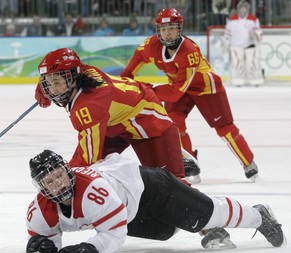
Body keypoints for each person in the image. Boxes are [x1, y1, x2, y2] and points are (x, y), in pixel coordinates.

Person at [25, 150, 285, 253]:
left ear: (67, 171)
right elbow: (47, 243)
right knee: (164, 232)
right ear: (41, 187)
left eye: (59, 175)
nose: (57, 183)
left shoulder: (94, 191)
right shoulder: (39, 210)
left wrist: (91, 250)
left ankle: (258, 215)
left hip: (152, 189)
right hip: (130, 212)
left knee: (204, 216)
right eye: (49, 181)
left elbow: (114, 234)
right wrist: (43, 250)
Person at [120, 8, 258, 180]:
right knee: (173, 123)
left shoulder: (189, 51)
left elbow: (175, 93)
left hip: (206, 88)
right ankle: (191, 163)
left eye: (171, 28)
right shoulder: (150, 46)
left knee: (224, 128)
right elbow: (130, 69)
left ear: (179, 29)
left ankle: (248, 162)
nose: (167, 34)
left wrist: (147, 91)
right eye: (163, 29)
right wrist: (125, 84)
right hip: (179, 85)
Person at [34, 47, 200, 181]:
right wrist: (42, 90)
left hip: (145, 118)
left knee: (168, 183)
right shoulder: (81, 74)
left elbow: (88, 158)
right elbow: (66, 72)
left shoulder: (89, 107)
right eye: (48, 82)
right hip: (114, 122)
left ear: (72, 77)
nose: (52, 89)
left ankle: (177, 161)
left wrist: (67, 178)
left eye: (56, 82)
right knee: (92, 170)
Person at [223, 0, 264, 86]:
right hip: (235, 45)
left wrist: (256, 35)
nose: (243, 10)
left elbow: (258, 32)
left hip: (250, 45)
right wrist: (225, 43)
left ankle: (255, 81)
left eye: (244, 8)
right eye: (241, 8)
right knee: (237, 64)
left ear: (248, 9)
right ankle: (238, 81)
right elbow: (227, 33)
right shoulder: (232, 19)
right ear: (238, 9)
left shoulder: (253, 19)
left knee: (252, 63)